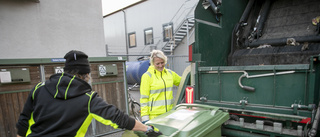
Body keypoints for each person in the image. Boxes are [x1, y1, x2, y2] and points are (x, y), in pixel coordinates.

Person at [16, 50, 160, 137]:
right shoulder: (89, 99)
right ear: (85, 75)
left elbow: (24, 120)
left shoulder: (39, 88)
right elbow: (118, 118)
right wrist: (147, 129)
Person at [140, 50, 181, 123]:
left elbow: (183, 81)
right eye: (157, 63)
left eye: (162, 63)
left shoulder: (170, 74)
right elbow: (144, 98)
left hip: (169, 113)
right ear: (152, 63)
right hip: (155, 116)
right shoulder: (147, 76)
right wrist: (145, 117)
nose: (160, 65)